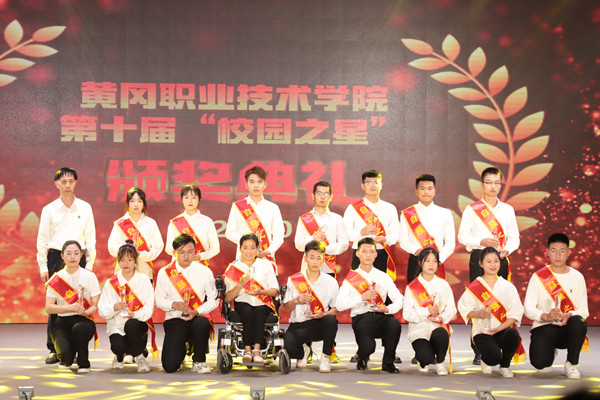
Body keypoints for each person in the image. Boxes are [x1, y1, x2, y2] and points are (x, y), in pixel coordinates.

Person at [457, 166, 519, 365]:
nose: (493, 186)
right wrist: (481, 241)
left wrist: (507, 250)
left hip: (500, 258)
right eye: (489, 182)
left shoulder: (507, 210)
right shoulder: (472, 209)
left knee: (500, 300)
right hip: (479, 258)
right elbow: (462, 236)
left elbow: (514, 236)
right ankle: (479, 347)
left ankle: (501, 341)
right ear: (482, 184)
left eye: (496, 183)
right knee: (479, 302)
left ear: (501, 185)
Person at [37, 167, 96, 365]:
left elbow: (91, 237)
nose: (67, 185)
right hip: (56, 257)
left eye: (71, 181)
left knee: (81, 301)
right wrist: (43, 266)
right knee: (55, 303)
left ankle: (78, 345)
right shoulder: (49, 209)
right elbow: (42, 240)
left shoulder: (85, 207)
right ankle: (54, 348)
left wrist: (89, 264)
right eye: (63, 181)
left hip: (79, 257)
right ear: (56, 184)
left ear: (76, 182)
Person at [524, 233, 589, 379]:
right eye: (554, 250)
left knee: (578, 322)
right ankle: (549, 351)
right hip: (545, 326)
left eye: (562, 251)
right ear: (547, 252)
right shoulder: (538, 277)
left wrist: (569, 315)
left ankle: (571, 363)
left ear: (568, 252)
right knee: (540, 363)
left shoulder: (577, 277)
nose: (558, 255)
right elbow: (528, 308)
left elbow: (584, 310)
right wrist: (545, 316)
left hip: (568, 328)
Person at [335, 237, 403, 373]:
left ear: (376, 254)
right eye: (364, 251)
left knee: (394, 324)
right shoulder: (350, 279)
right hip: (362, 319)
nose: (368, 255)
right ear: (357, 254)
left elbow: (400, 299)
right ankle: (363, 357)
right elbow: (339, 305)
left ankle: (388, 362)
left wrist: (388, 309)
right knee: (368, 347)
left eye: (371, 251)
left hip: (381, 316)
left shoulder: (383, 276)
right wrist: (361, 297)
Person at [155, 234, 218, 373]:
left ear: (195, 252)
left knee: (203, 323)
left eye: (190, 252)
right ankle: (182, 350)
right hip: (175, 319)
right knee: (170, 367)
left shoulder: (204, 271)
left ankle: (199, 360)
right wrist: (173, 304)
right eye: (181, 252)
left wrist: (197, 311)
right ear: (174, 253)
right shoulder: (164, 273)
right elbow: (158, 300)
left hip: (197, 317)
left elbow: (214, 300)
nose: (186, 256)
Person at [457, 247, 524, 378]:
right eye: (488, 261)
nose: (493, 265)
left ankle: (505, 366)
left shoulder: (508, 287)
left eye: (496, 261)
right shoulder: (474, 287)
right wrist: (478, 314)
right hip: (482, 331)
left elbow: (515, 313)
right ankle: (486, 360)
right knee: (494, 358)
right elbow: (464, 309)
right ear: (481, 263)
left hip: (502, 329)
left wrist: (499, 328)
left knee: (512, 335)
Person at [284, 241, 339, 373]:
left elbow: (336, 309)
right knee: (288, 346)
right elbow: (286, 307)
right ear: (305, 258)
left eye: (319, 258)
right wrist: (297, 300)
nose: (315, 262)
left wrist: (324, 314)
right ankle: (304, 352)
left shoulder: (331, 282)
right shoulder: (294, 279)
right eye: (312, 257)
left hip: (319, 324)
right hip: (299, 324)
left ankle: (325, 356)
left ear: (323, 259)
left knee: (331, 320)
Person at [98, 243, 155, 373]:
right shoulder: (111, 283)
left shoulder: (144, 280)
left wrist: (135, 314)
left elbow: (149, 307)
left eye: (129, 260)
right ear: (118, 261)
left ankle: (140, 357)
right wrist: (114, 308)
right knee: (118, 346)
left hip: (137, 323)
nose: (126, 263)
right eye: (122, 260)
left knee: (131, 324)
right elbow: (102, 309)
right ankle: (119, 357)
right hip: (117, 326)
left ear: (135, 261)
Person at [223, 233, 280, 363]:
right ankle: (248, 351)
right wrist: (240, 284)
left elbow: (276, 291)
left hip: (263, 301)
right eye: (245, 248)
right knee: (247, 312)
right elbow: (227, 298)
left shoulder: (266, 265)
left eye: (253, 248)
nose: (249, 251)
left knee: (259, 311)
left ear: (258, 249)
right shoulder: (234, 268)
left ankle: (257, 350)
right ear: (240, 249)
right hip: (242, 302)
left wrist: (261, 291)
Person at [45, 240, 100, 373]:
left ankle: (83, 361)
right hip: (62, 322)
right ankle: (69, 351)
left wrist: (86, 312)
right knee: (65, 359)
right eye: (68, 253)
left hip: (84, 320)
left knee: (80, 329)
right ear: (62, 256)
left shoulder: (90, 276)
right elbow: (49, 307)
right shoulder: (56, 279)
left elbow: (95, 305)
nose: (72, 257)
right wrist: (69, 308)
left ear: (81, 255)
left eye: (76, 253)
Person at [403, 247, 456, 375]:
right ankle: (423, 358)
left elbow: (451, 308)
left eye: (434, 261)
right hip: (419, 329)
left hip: (438, 326)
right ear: (420, 263)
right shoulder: (412, 287)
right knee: (425, 358)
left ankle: (440, 363)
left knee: (441, 334)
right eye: (427, 261)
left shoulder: (443, 284)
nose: (431, 264)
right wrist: (426, 311)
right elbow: (407, 314)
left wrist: (442, 317)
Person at [225, 165, 285, 274]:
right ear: (246, 184)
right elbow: (230, 233)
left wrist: (268, 251)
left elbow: (279, 235)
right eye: (252, 182)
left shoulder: (273, 208)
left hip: (266, 260)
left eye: (260, 181)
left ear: (265, 184)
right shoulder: (238, 207)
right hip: (243, 261)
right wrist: (249, 243)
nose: (256, 185)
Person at [343, 170, 400, 279]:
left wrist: (385, 239)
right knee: (359, 285)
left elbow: (396, 234)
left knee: (381, 287)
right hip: (360, 254)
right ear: (363, 186)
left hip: (382, 253)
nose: (373, 185)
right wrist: (361, 233)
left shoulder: (390, 208)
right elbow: (345, 234)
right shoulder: (353, 208)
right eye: (368, 182)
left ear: (381, 185)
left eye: (375, 182)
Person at [399, 174, 455, 284]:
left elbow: (450, 243)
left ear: (434, 191)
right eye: (422, 189)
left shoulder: (445, 213)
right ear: (416, 191)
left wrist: (438, 259)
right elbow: (403, 240)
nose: (426, 192)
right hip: (416, 261)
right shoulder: (407, 214)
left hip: (438, 261)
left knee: (437, 293)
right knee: (415, 292)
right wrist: (417, 251)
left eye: (429, 189)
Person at [294, 181, 349, 278]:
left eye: (326, 194)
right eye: (319, 193)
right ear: (313, 196)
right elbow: (298, 245)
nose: (322, 197)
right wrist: (312, 238)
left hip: (328, 268)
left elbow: (344, 244)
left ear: (331, 197)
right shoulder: (304, 219)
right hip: (307, 268)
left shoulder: (337, 219)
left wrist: (324, 250)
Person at [108, 187, 164, 281]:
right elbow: (112, 248)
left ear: (144, 203)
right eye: (133, 201)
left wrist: (140, 254)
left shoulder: (150, 223)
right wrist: (128, 252)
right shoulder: (120, 224)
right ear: (128, 203)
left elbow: (157, 248)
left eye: (139, 201)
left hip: (144, 271)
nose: (136, 204)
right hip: (123, 274)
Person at [165, 184, 220, 267]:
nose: (190, 201)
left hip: (200, 266)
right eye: (186, 197)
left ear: (199, 199)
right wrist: (181, 254)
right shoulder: (175, 222)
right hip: (180, 268)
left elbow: (215, 248)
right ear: (182, 200)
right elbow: (168, 248)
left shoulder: (207, 221)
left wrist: (200, 256)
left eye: (194, 197)